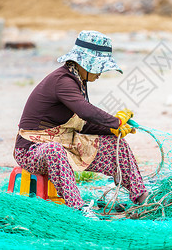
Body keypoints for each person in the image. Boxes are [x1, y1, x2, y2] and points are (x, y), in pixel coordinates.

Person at [14, 30, 148, 214]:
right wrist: (115, 121)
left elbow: (82, 124)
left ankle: (140, 196)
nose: (101, 72)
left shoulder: (77, 80)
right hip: (31, 150)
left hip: (65, 142)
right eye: (99, 67)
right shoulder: (63, 81)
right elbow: (85, 111)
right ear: (84, 63)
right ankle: (78, 209)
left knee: (116, 144)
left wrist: (113, 131)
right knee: (54, 151)